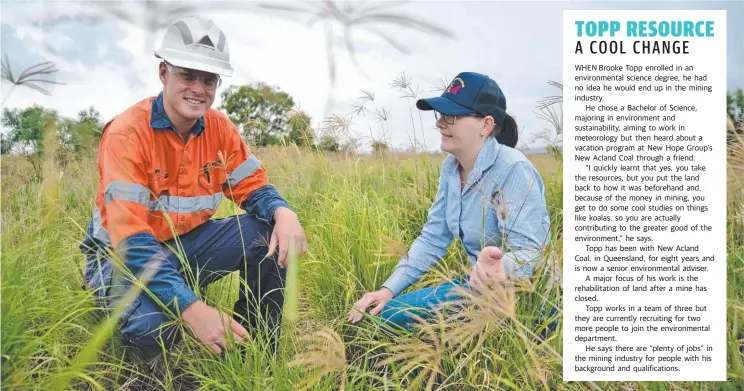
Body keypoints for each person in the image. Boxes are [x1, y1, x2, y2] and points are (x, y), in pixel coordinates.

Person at [79, 16, 307, 356]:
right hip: (120, 258)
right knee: (154, 328)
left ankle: (253, 352)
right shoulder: (127, 134)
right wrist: (193, 309)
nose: (199, 89)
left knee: (267, 231)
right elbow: (131, 241)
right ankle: (132, 336)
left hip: (180, 247)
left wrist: (282, 211)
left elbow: (253, 187)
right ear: (163, 73)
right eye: (187, 74)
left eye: (209, 80)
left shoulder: (220, 128)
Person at [349, 72, 552, 331]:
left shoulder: (513, 170)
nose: (440, 124)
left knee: (396, 319)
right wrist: (388, 289)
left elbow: (531, 252)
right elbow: (433, 238)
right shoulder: (451, 168)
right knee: (385, 314)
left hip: (524, 298)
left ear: (486, 124)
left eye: (452, 116)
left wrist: (501, 267)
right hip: (478, 287)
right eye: (440, 115)